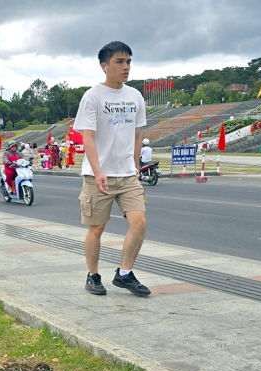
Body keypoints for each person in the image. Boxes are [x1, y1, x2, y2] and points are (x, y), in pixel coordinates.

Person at [73, 41, 149, 297]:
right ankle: (93, 276)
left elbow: (137, 134)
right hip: (99, 175)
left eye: (129, 61)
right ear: (105, 66)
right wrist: (97, 171)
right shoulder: (92, 96)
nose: (126, 67)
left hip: (127, 175)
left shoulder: (135, 96)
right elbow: (88, 137)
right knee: (97, 228)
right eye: (120, 62)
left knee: (139, 223)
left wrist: (136, 166)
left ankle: (125, 274)